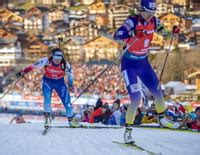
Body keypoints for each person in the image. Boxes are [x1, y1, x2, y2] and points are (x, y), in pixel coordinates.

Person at [113, 0, 180, 143]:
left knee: (157, 91)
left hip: (143, 62)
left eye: (152, 12)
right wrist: (132, 32)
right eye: (147, 12)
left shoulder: (154, 21)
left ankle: (162, 119)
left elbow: (164, 33)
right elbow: (117, 34)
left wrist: (172, 34)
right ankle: (128, 132)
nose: (150, 15)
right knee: (136, 99)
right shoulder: (132, 21)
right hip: (129, 64)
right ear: (140, 10)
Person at [15, 47, 78, 128]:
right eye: (56, 59)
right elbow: (33, 66)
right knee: (47, 99)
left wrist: (71, 85)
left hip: (60, 83)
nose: (58, 61)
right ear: (52, 56)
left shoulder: (65, 64)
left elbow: (70, 75)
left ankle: (71, 120)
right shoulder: (46, 60)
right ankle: (47, 119)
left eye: (59, 59)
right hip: (47, 82)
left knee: (67, 102)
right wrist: (22, 72)